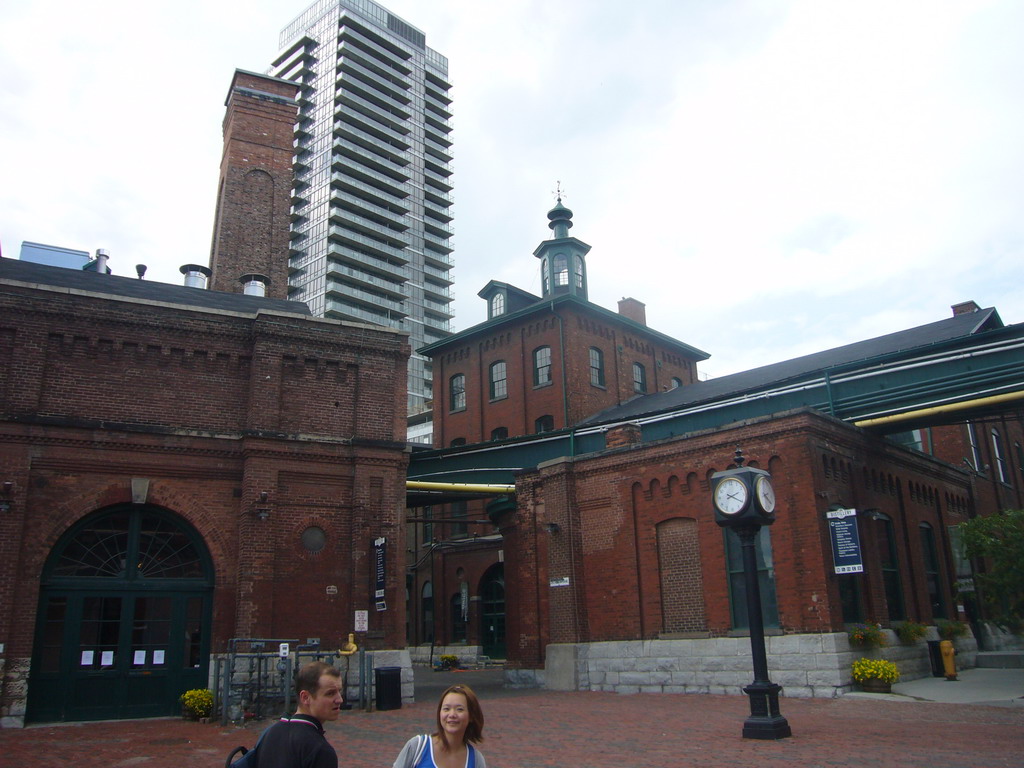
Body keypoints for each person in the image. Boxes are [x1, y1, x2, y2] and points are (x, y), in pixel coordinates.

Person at [256, 660, 344, 768]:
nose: (339, 700)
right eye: (330, 693)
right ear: (305, 697)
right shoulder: (320, 749)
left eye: (339, 691)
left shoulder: (270, 733)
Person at [393, 684, 486, 768]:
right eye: (446, 709)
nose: (452, 714)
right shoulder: (417, 747)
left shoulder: (476, 760)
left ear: (471, 716)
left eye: (459, 709)